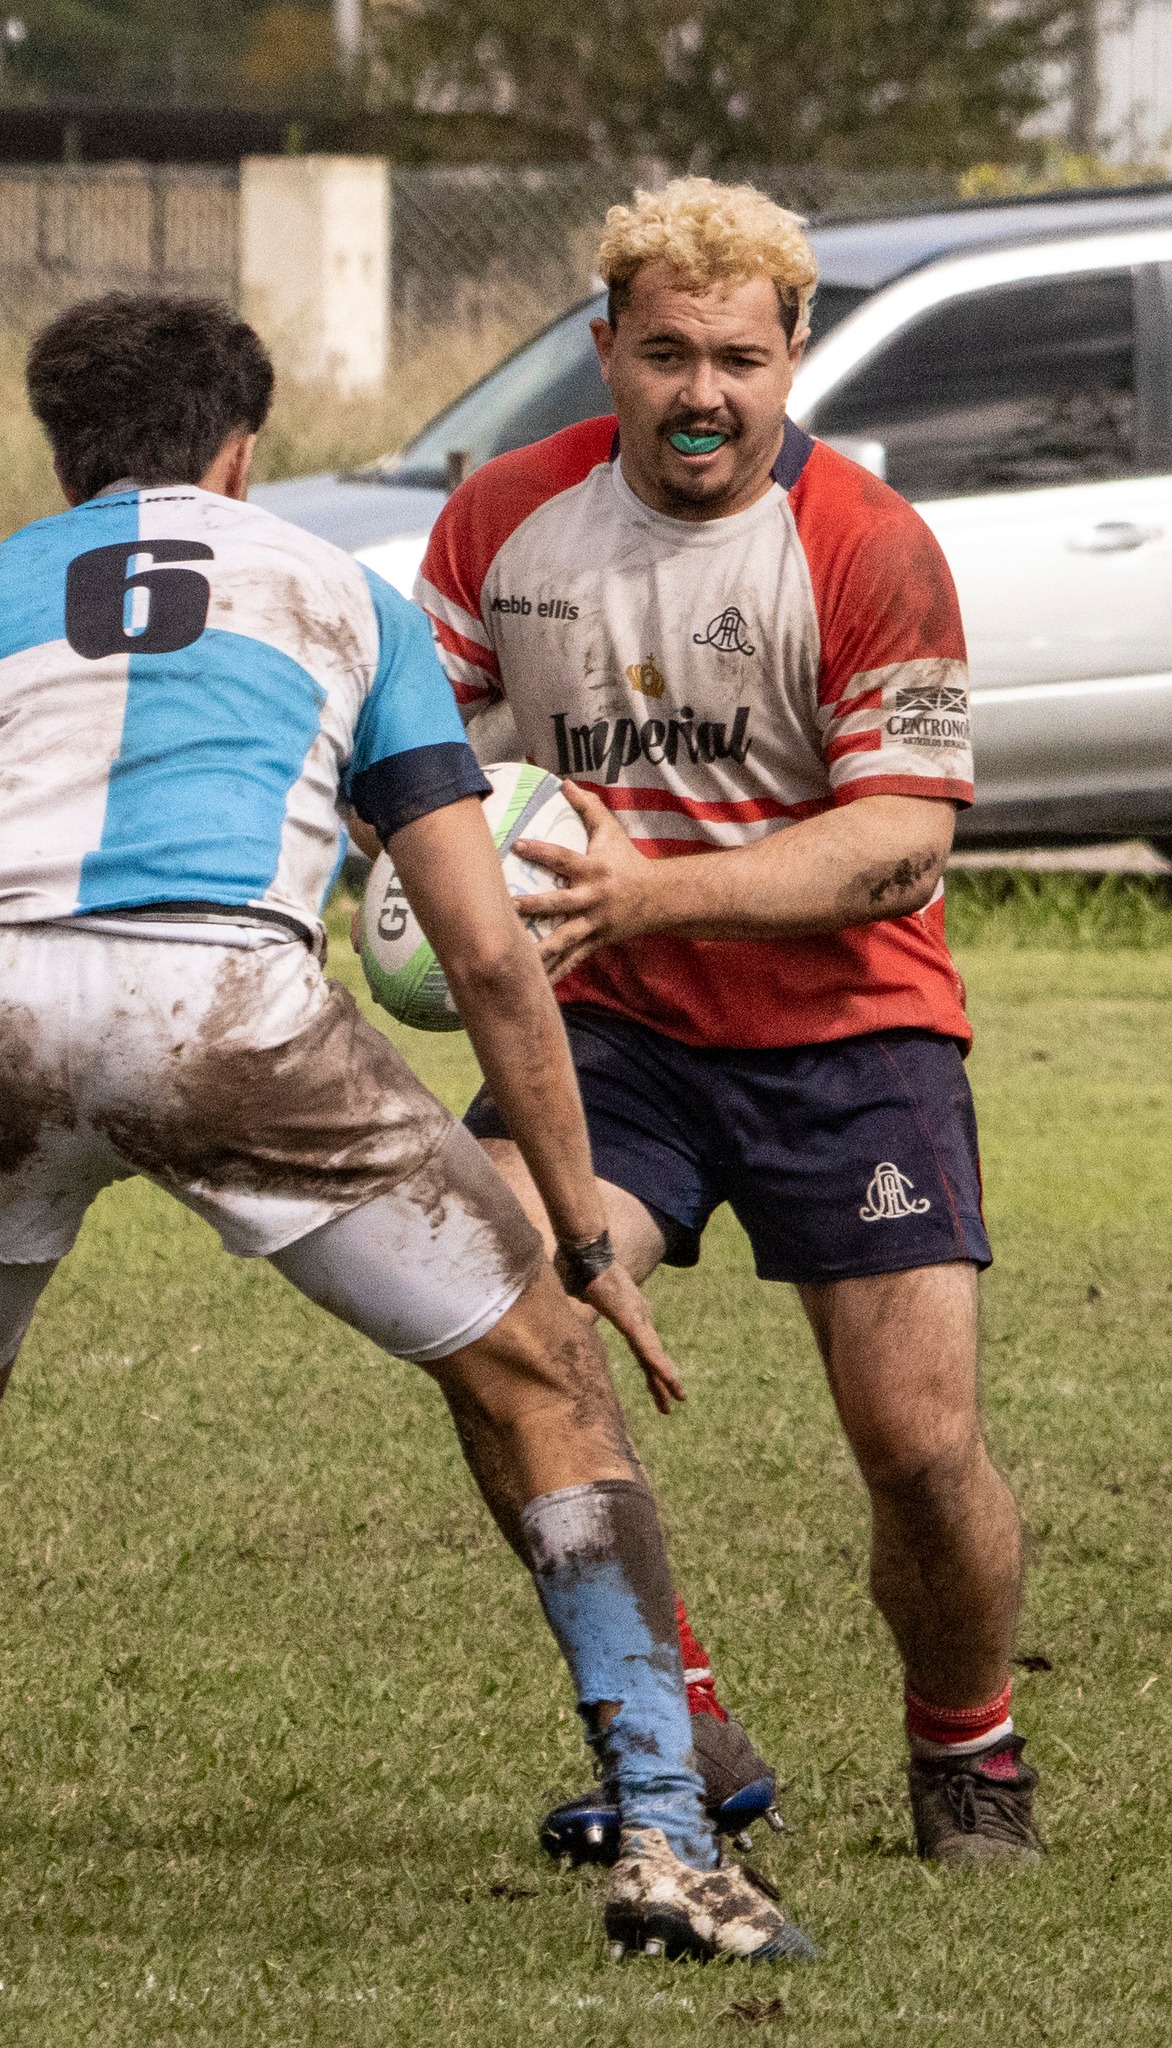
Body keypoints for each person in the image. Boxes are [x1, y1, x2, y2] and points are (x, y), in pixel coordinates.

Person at [0, 294, 812, 1961]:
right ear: (240, 454)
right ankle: (672, 1855)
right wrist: (581, 1224)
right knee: (539, 1369)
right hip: (223, 1009)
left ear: (68, 452)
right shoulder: (339, 594)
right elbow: (484, 948)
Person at [416, 179, 1038, 1867]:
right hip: (606, 1035)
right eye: (669, 351)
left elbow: (902, 840)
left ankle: (968, 1746)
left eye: (742, 359)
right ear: (605, 348)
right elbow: (423, 761)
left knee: (917, 1448)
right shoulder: (498, 524)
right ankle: (668, 1715)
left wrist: (653, 892)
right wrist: (411, 882)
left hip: (854, 1033)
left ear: (794, 361)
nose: (706, 392)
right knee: (497, 1302)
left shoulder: (868, 546)